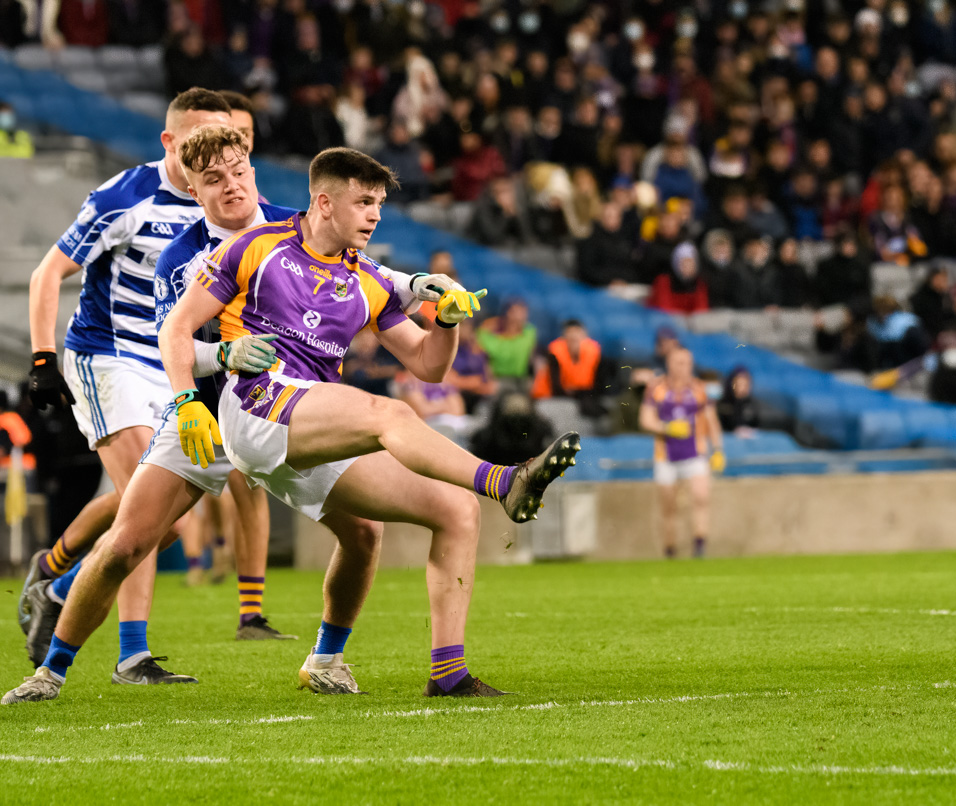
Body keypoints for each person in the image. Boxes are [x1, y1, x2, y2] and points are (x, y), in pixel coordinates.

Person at [4, 147, 581, 705]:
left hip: (300, 418)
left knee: (437, 516)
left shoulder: (355, 267)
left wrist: (447, 320)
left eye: (240, 172)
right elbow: (175, 336)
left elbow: (429, 365)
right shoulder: (217, 251)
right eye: (365, 203)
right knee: (127, 543)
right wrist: (188, 396)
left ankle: (431, 671)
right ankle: (49, 671)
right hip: (220, 410)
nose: (376, 215)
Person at [20, 88, 233, 685]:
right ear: (170, 142)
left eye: (224, 141)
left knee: (157, 520)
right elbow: (48, 271)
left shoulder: (228, 196)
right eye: (197, 142)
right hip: (108, 356)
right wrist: (42, 359)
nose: (212, 154)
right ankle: (131, 655)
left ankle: (57, 579)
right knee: (147, 504)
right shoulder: (125, 196)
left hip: (175, 363)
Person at [639, 347, 724, 559]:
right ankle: (670, 549)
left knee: (700, 497)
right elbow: (645, 420)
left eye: (687, 363)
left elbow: (712, 421)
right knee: (669, 507)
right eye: (679, 362)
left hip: (695, 453)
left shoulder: (700, 389)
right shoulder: (656, 389)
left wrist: (718, 449)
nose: (684, 367)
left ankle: (699, 545)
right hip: (665, 456)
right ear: (669, 364)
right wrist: (667, 428)